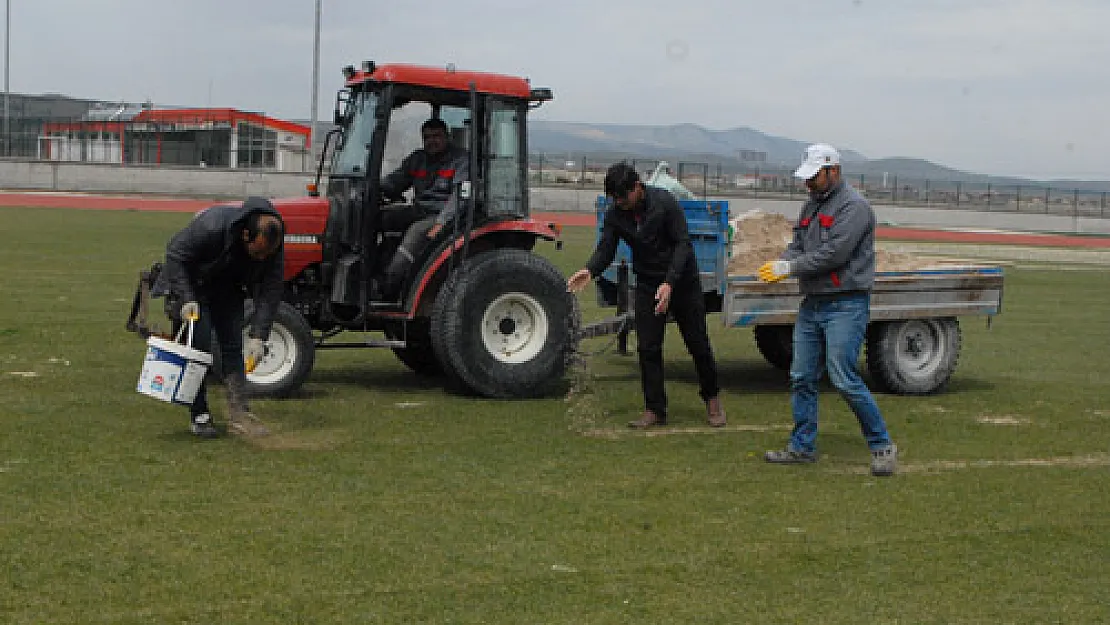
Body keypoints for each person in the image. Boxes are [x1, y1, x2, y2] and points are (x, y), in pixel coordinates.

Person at [757, 144, 898, 476]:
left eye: (814, 177)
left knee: (844, 377)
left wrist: (789, 270)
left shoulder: (855, 207)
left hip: (846, 304)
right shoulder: (811, 205)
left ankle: (882, 445)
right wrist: (783, 260)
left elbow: (835, 253)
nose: (808, 184)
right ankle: (802, 447)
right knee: (801, 376)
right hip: (814, 303)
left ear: (833, 171)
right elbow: (799, 243)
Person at [567, 162, 725, 428]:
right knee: (648, 347)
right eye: (615, 199)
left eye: (623, 197)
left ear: (637, 187)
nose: (620, 203)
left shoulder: (665, 203)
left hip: (682, 282)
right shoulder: (616, 213)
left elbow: (683, 244)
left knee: (697, 344)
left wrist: (670, 283)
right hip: (648, 284)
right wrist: (589, 270)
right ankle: (655, 409)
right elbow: (606, 248)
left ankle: (711, 398)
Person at [153, 196, 285, 439]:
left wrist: (258, 337)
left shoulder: (273, 242)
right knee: (199, 349)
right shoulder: (211, 226)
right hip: (195, 287)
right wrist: (187, 298)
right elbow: (175, 254)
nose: (262, 259)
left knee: (234, 348)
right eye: (258, 253)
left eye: (267, 254)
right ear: (246, 235)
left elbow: (271, 290)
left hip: (228, 291)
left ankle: (240, 414)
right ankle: (199, 414)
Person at [375, 117, 469, 298]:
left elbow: (460, 197)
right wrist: (374, 187)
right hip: (419, 210)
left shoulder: (460, 160)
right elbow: (395, 182)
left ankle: (391, 285)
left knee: (416, 232)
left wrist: (441, 223)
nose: (431, 141)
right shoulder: (418, 159)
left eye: (437, 136)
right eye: (427, 137)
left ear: (447, 137)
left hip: (442, 214)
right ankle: (375, 265)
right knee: (381, 218)